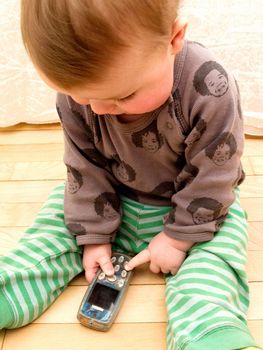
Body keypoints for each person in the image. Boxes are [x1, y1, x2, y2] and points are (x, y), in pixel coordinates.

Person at [0, 1, 260, 349]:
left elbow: (215, 174)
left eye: (122, 96)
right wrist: (93, 235)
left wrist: (179, 239)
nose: (99, 109)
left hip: (197, 210)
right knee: (51, 227)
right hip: (109, 199)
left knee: (214, 264)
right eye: (84, 96)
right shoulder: (83, 95)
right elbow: (83, 166)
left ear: (173, 38)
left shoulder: (209, 86)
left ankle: (209, 331)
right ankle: (9, 287)